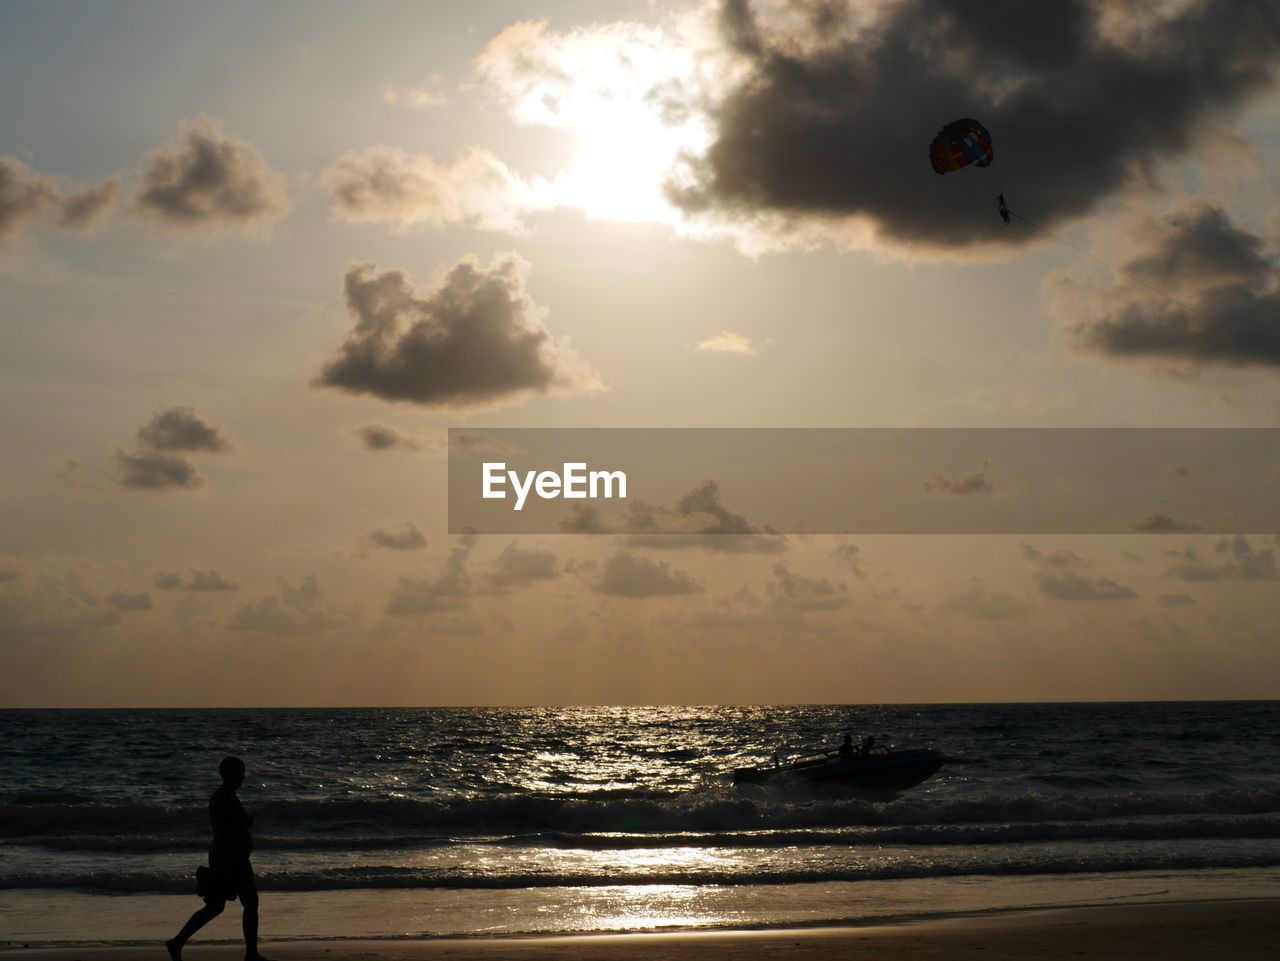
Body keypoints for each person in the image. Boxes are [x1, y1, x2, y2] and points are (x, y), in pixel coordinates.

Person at [167, 756, 270, 961]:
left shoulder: (223, 795)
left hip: (226, 855)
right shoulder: (226, 798)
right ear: (230, 775)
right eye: (240, 773)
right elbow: (231, 828)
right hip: (231, 858)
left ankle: (177, 942)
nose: (243, 777)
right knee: (249, 903)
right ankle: (251, 955)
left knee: (216, 906)